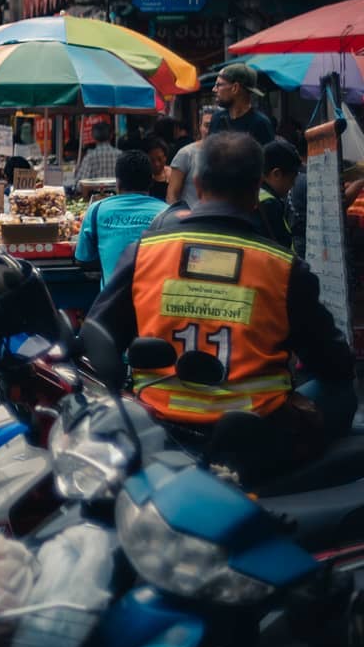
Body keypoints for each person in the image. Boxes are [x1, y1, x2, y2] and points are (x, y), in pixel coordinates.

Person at [87, 132, 355, 484]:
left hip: (158, 428)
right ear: (257, 188)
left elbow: (98, 334)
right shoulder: (284, 267)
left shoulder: (146, 252)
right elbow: (332, 361)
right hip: (259, 435)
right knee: (341, 392)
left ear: (196, 184)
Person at [75, 151, 168, 286]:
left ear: (117, 183)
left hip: (112, 304)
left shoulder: (96, 210)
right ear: (151, 181)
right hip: (153, 302)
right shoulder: (167, 212)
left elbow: (83, 259)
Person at [208, 63, 275, 144]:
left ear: (235, 88)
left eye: (218, 85)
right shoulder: (217, 119)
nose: (214, 89)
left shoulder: (260, 124)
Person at [258, 139, 302, 249]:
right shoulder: (269, 204)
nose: (292, 185)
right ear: (276, 174)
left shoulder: (253, 193)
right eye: (291, 179)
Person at [166, 107, 214, 208]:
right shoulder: (186, 154)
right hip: (191, 220)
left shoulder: (229, 155)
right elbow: (171, 195)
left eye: (214, 126)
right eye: (207, 125)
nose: (210, 130)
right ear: (199, 126)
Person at [142, 134, 171, 201]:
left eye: (160, 159)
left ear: (165, 157)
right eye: (152, 160)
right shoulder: (143, 177)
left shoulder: (173, 175)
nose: (156, 164)